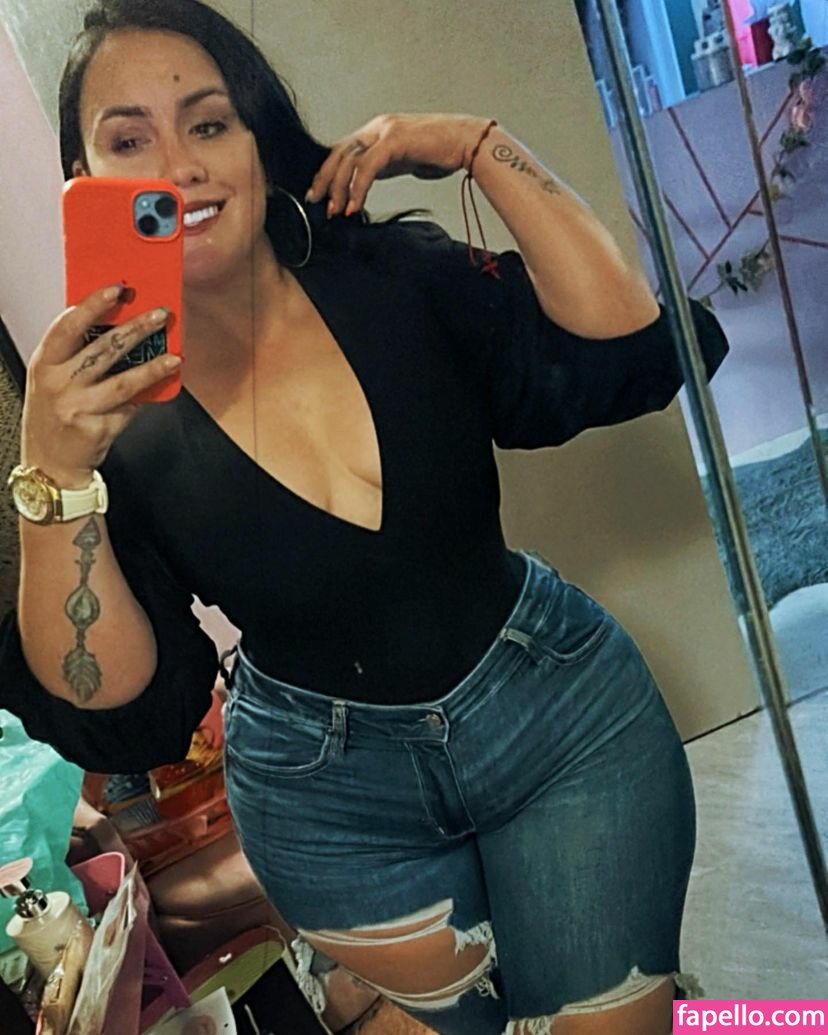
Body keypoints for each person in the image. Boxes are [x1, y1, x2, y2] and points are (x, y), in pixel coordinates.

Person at [1, 1, 729, 1033]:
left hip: (559, 718)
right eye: (130, 141)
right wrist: (53, 476)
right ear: (85, 182)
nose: (180, 165)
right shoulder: (108, 423)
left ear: (258, 141)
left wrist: (476, 146)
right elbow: (117, 705)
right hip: (329, 805)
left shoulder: (394, 276)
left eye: (208, 122)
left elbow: (627, 351)